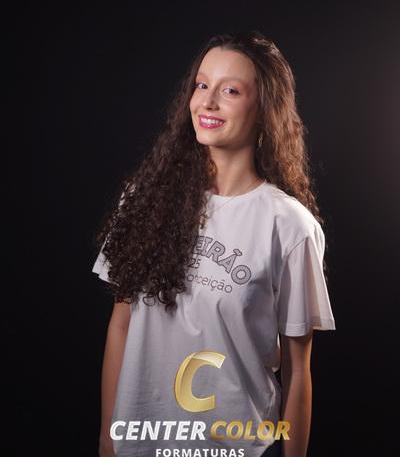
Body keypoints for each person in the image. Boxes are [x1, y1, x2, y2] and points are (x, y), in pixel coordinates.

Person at [92, 30, 336, 457]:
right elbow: (121, 324)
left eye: (230, 90)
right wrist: (108, 438)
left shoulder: (288, 226)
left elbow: (298, 372)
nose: (207, 102)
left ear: (265, 109)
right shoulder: (144, 199)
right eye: (202, 85)